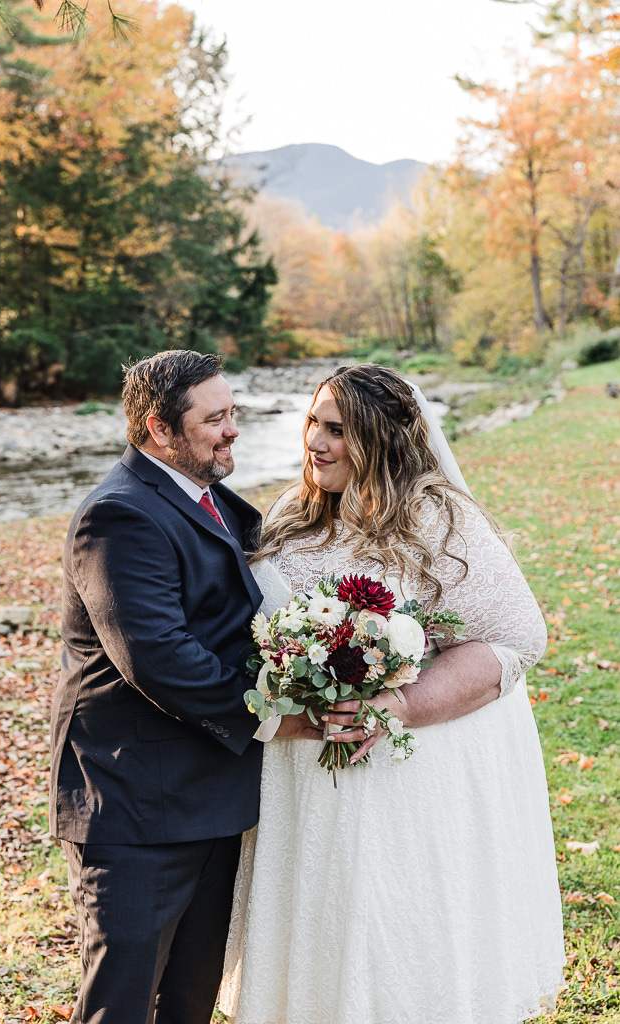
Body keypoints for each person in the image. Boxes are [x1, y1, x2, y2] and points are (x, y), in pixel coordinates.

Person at [221, 364, 565, 1024]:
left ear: (381, 439)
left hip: (398, 779)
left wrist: (396, 704)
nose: (315, 443)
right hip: (298, 778)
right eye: (312, 423)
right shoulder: (291, 515)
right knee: (317, 929)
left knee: (385, 926)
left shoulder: (439, 520)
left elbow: (517, 636)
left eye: (337, 430)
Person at [49, 349, 321, 1024]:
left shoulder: (214, 499)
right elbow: (160, 657)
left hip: (214, 798)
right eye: (215, 419)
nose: (232, 430)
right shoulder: (118, 516)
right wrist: (276, 720)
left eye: (233, 414)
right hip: (136, 805)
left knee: (189, 1000)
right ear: (159, 430)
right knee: (122, 1001)